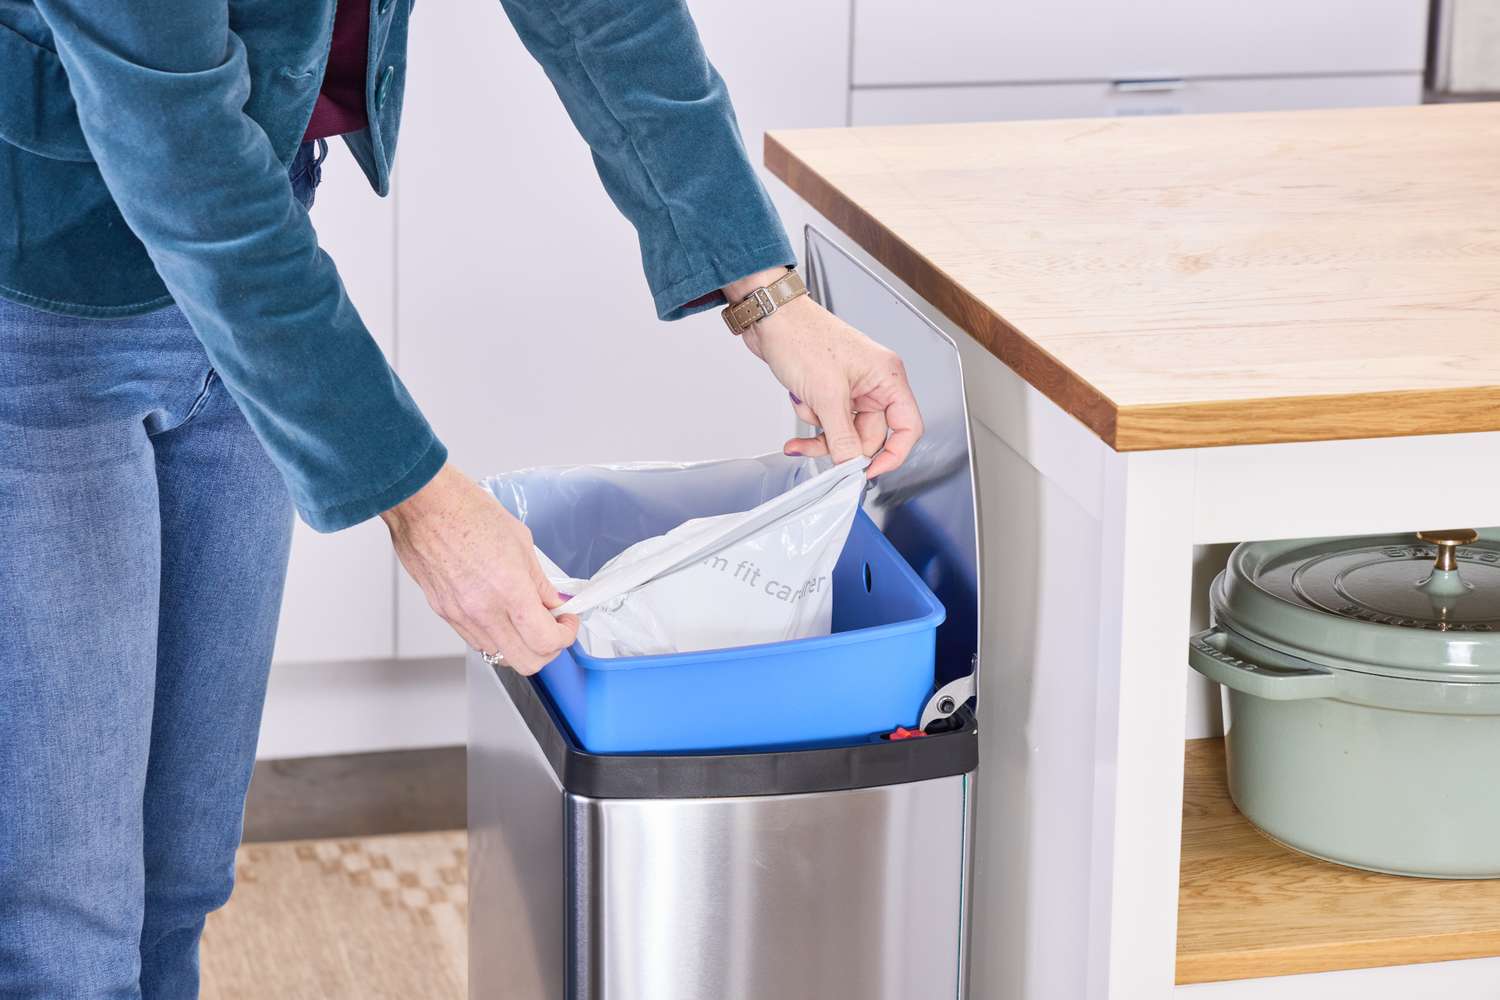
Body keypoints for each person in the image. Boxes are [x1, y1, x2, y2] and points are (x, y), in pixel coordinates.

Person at [0, 1, 923, 996]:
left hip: (251, 282)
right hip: (39, 298)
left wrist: (767, 294)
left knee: (174, 881)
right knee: (66, 928)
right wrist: (420, 501)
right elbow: (179, 149)